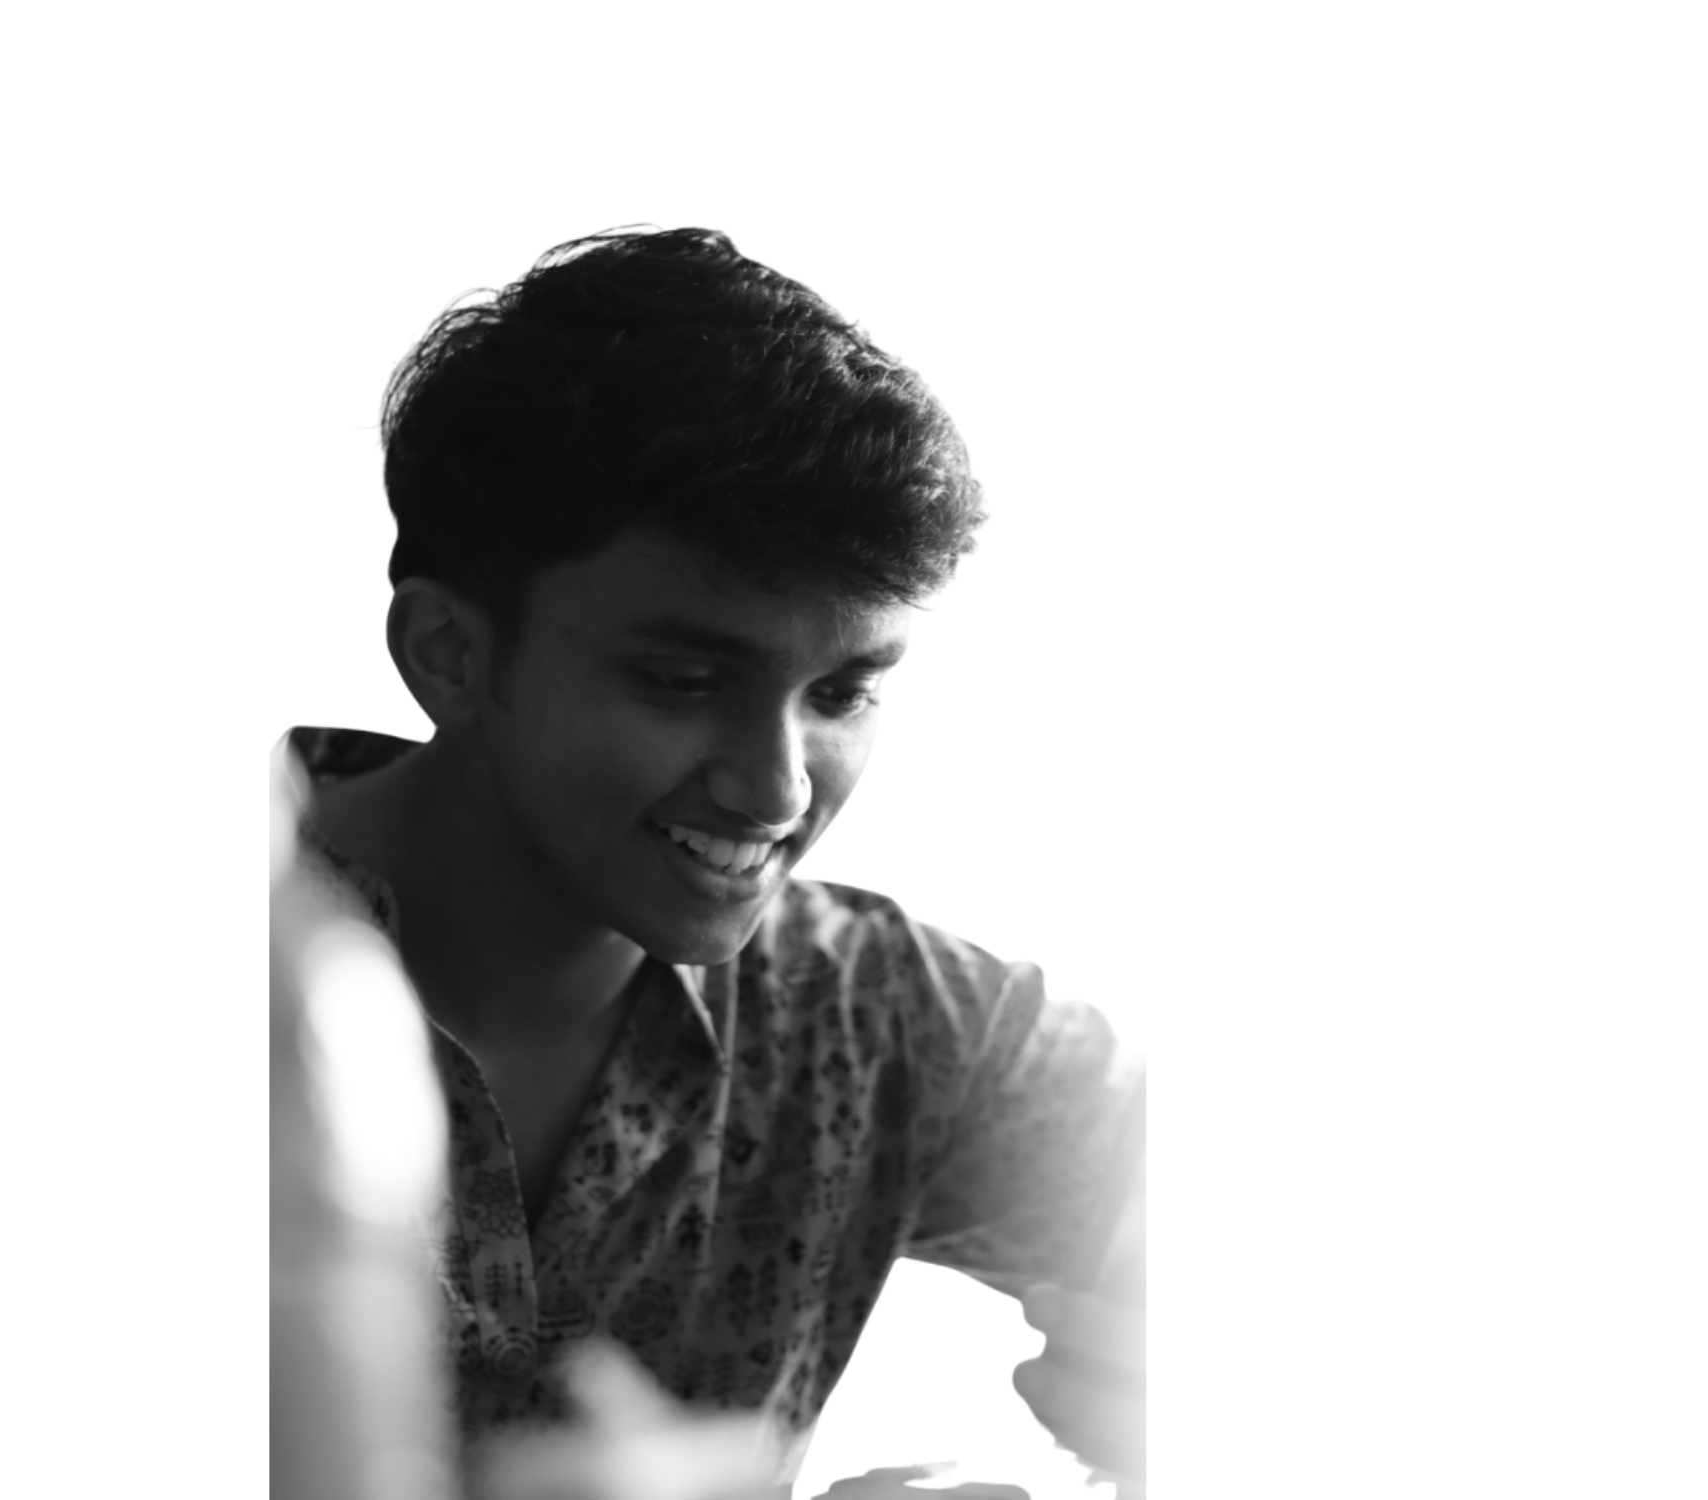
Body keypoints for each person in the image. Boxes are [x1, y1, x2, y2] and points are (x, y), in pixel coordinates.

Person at [287, 223, 1146, 1496]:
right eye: (682, 681)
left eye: (843, 692)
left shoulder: (885, 1016)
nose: (777, 788)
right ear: (448, 653)